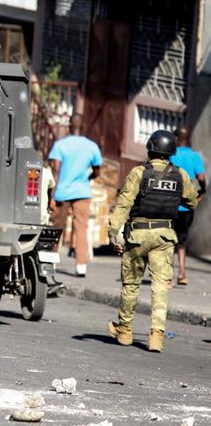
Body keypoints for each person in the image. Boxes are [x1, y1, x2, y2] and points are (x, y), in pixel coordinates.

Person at [107, 130, 197, 353]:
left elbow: (124, 204)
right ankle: (156, 337)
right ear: (171, 153)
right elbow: (192, 200)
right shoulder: (180, 175)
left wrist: (113, 232)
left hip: (138, 235)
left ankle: (125, 331)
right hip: (164, 236)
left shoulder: (139, 173)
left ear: (150, 149)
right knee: (160, 287)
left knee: (131, 285)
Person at [48, 114, 102, 277]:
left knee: (57, 227)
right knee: (81, 227)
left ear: (70, 126)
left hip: (63, 191)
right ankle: (80, 265)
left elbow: (56, 170)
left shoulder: (61, 145)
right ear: (82, 126)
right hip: (82, 191)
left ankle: (51, 260)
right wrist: (88, 177)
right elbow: (97, 170)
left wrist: (52, 193)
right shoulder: (92, 146)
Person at [168, 126, 206, 286]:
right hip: (187, 206)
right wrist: (202, 192)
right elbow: (202, 178)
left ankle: (167, 277)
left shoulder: (170, 155)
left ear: (176, 139)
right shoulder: (195, 156)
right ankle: (182, 274)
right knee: (182, 240)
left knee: (168, 240)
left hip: (171, 204)